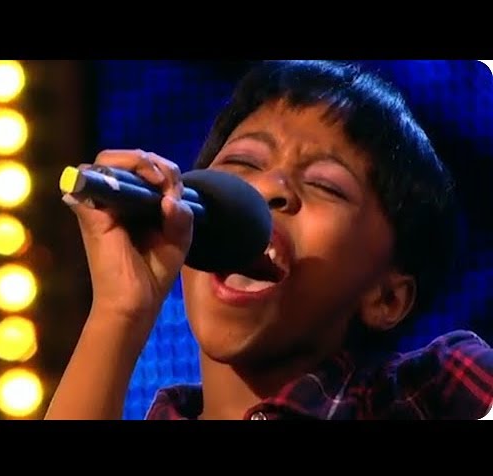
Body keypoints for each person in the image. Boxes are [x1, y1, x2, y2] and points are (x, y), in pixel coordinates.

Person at [44, 60, 493, 420]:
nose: (269, 188)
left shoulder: (437, 390)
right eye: (242, 163)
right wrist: (119, 310)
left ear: (387, 297)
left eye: (325, 185)